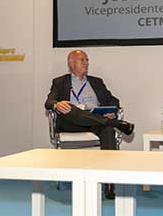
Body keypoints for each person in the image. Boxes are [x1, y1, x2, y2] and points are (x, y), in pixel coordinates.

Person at [44, 49, 135, 200]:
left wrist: (111, 110)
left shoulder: (96, 82)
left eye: (87, 60)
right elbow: (48, 102)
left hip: (95, 120)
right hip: (71, 121)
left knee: (107, 130)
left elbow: (113, 100)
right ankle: (115, 123)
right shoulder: (60, 82)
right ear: (71, 63)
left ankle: (109, 184)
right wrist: (57, 104)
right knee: (71, 108)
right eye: (82, 60)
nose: (86, 63)